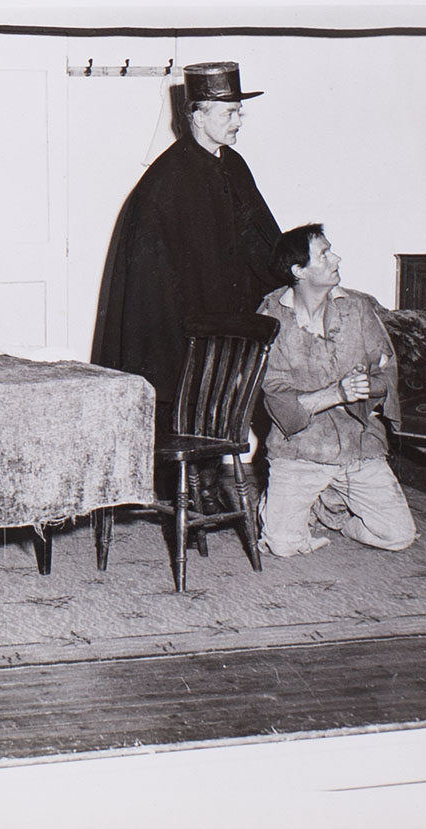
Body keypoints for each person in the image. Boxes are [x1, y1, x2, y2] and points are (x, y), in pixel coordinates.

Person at [93, 61, 281, 509]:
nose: (238, 121)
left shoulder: (233, 165)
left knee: (227, 402)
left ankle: (208, 482)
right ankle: (190, 485)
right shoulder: (165, 180)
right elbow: (149, 275)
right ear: (197, 114)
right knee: (187, 398)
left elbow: (260, 239)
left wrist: (289, 275)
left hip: (231, 319)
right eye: (229, 112)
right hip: (181, 327)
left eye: (239, 111)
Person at [256, 224, 416, 558]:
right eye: (325, 254)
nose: (337, 258)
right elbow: (275, 397)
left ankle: (330, 509)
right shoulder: (271, 317)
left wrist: (366, 387)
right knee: (283, 546)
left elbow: (385, 374)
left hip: (358, 448)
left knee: (398, 535)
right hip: (299, 450)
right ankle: (290, 502)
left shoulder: (357, 309)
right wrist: (338, 394)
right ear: (298, 270)